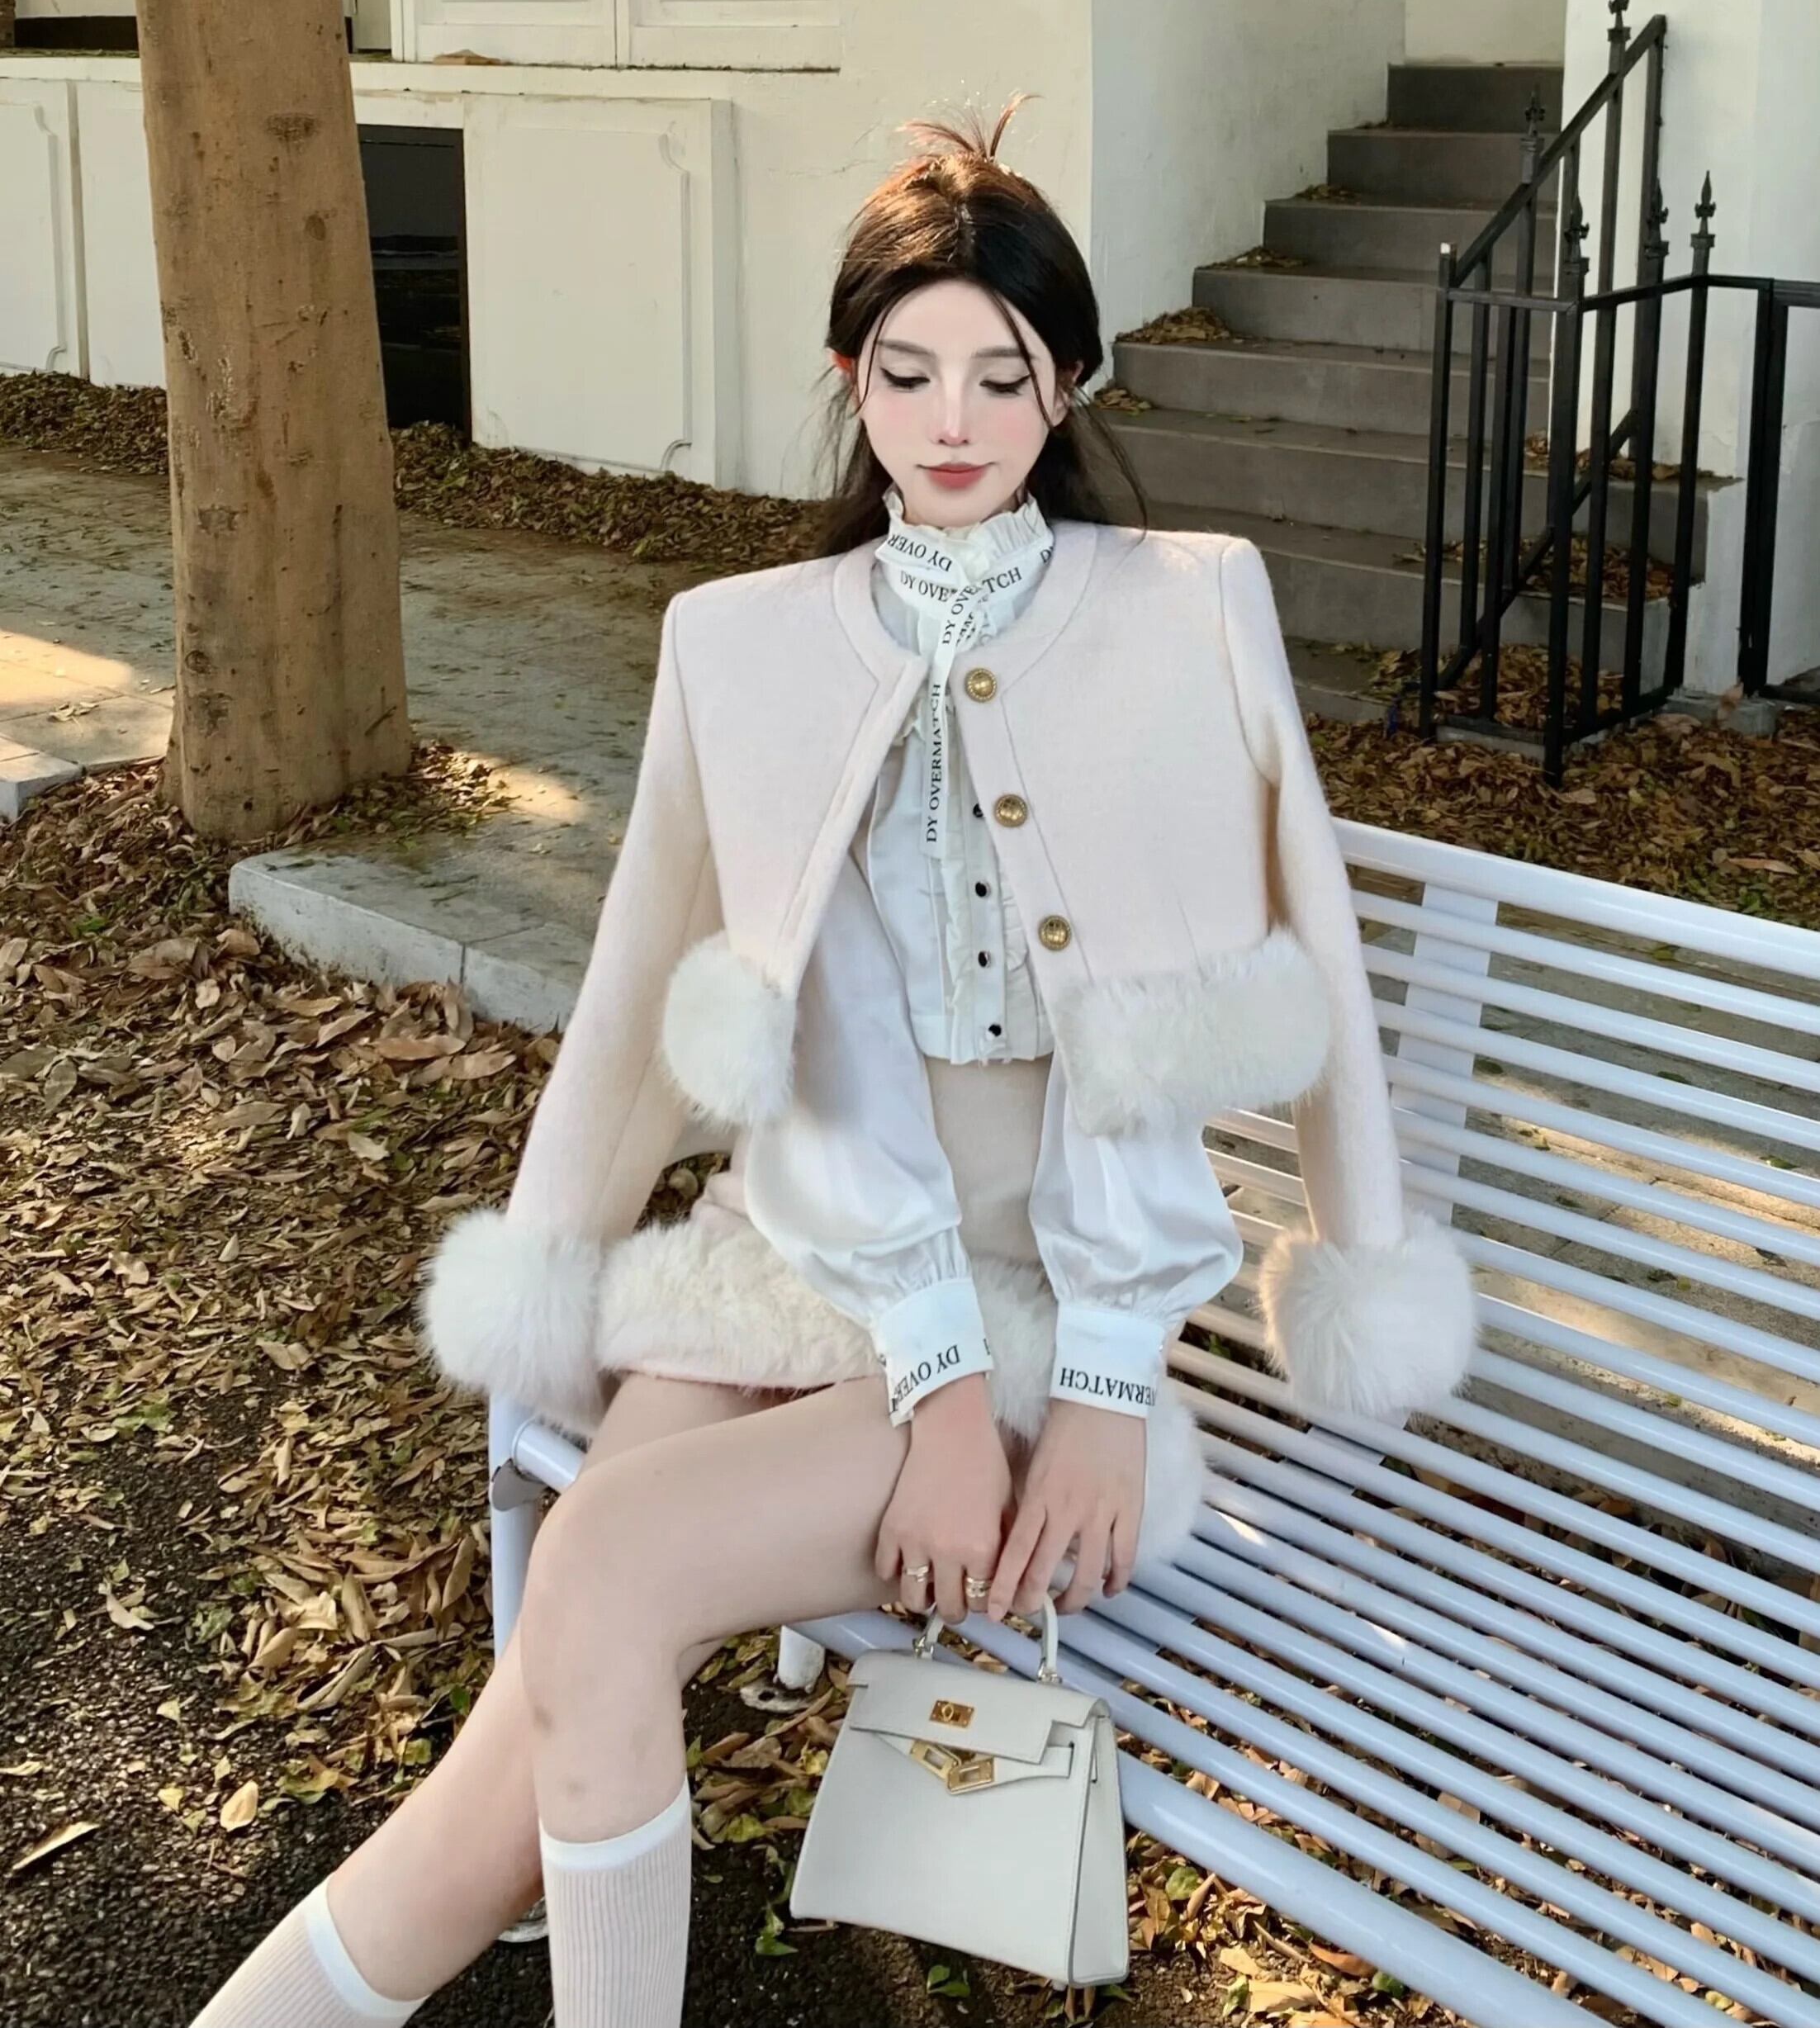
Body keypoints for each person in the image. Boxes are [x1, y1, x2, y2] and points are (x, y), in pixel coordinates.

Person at [187, 99, 1476, 2028]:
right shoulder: (745, 642)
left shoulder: (1182, 610)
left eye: (1002, 374)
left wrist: (1102, 1385)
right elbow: (650, 976)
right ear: (848, 378)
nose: (953, 420)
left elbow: (1267, 971)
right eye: (907, 371)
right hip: (809, 1249)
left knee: (596, 1579)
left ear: (1067, 386)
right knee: (551, 1688)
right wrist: (581, 1258)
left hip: (1056, 1304)